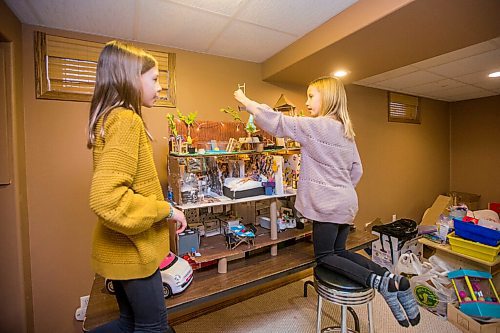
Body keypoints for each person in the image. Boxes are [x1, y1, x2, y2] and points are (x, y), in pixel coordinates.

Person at [234, 76, 420, 327]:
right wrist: (340, 189)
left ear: (328, 97)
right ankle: (393, 280)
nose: (307, 102)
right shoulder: (346, 131)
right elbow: (358, 170)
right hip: (346, 202)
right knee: (340, 252)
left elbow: (278, 122)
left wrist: (246, 101)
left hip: (327, 204)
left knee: (324, 256)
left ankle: (380, 283)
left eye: (312, 96)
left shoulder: (317, 127)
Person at [87, 41, 187, 333]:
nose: (160, 88)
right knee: (154, 327)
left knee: (128, 323)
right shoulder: (127, 120)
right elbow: (107, 199)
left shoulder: (110, 118)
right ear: (131, 78)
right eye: (154, 79)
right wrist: (166, 209)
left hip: (121, 250)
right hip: (134, 252)